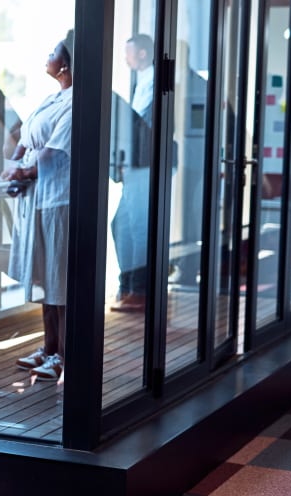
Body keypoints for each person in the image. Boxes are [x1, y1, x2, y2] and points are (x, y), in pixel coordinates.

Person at [3, 30, 74, 382]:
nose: (47, 56)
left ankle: (63, 354)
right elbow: (26, 134)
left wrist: (24, 171)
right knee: (47, 277)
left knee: (59, 279)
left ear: (65, 64)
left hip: (58, 198)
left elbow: (54, 153)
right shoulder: (52, 98)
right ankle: (48, 347)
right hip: (37, 198)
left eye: (52, 53)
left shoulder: (79, 101)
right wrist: (14, 166)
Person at [110, 33, 154, 313]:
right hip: (134, 165)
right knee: (120, 225)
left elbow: (143, 129)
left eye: (128, 53)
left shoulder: (155, 84)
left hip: (143, 167)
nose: (125, 59)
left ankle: (139, 290)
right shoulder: (141, 83)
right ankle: (128, 285)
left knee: (137, 228)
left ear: (140, 54)